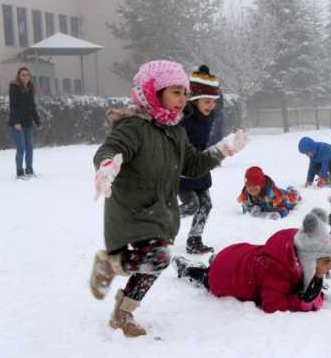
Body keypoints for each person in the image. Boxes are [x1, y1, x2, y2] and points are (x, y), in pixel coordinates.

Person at [88, 60, 248, 337]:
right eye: (175, 91)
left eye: (184, 92)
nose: (182, 99)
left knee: (154, 263)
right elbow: (111, 148)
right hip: (132, 211)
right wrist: (106, 165)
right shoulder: (133, 126)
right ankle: (109, 265)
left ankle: (122, 314)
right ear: (153, 91)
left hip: (160, 212)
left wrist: (222, 150)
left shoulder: (176, 130)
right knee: (158, 258)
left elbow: (192, 165)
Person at [173, 208, 331, 313]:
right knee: (207, 276)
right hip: (226, 275)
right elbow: (272, 304)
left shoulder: (299, 246)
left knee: (225, 263)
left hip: (238, 254)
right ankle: (188, 269)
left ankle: (215, 261)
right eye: (326, 261)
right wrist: (299, 302)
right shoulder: (277, 270)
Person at [178, 65, 221, 254]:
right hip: (182, 168)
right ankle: (158, 223)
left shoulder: (209, 115)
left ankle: (194, 239)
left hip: (200, 165)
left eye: (213, 101)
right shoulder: (183, 116)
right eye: (206, 101)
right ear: (194, 100)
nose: (210, 105)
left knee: (206, 204)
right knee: (191, 205)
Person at [8, 67, 41, 179]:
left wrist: (37, 120)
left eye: (27, 75)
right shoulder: (14, 87)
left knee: (29, 148)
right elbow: (13, 106)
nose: (25, 76)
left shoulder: (30, 89)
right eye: (23, 75)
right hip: (16, 125)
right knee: (21, 148)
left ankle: (29, 169)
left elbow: (32, 107)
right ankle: (19, 171)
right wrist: (16, 122)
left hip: (28, 124)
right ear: (19, 76)